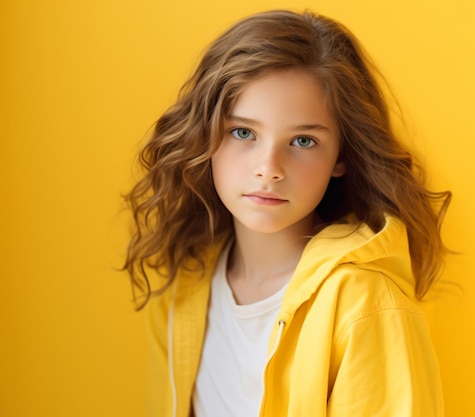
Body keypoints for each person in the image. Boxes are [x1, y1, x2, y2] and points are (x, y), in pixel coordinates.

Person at [123, 9, 451, 417]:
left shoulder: (365, 306)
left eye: (302, 140)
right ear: (203, 136)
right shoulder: (184, 284)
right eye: (243, 132)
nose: (269, 168)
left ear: (341, 156)